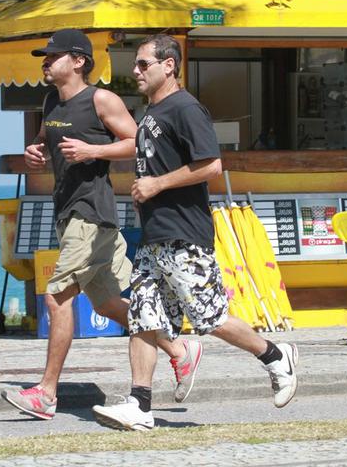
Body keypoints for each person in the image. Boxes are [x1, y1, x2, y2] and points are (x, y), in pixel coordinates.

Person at [91, 34, 299, 431]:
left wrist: (156, 185)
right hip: (156, 235)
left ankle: (275, 355)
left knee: (209, 316)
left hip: (185, 234)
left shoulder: (186, 108)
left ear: (168, 65)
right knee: (142, 316)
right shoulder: (152, 111)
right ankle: (139, 403)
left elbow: (211, 166)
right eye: (134, 65)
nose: (135, 71)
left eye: (142, 64)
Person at [1, 29, 202, 420]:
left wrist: (94, 150)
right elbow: (46, 140)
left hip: (91, 213)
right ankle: (180, 351)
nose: (45, 62)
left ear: (78, 61)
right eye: (44, 57)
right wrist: (36, 152)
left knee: (57, 297)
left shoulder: (100, 99)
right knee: (109, 304)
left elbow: (139, 142)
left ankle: (46, 393)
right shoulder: (51, 102)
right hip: (70, 213)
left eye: (52, 56)